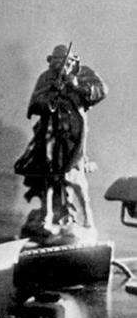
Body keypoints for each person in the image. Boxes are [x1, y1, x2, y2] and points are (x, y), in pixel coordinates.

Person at [14, 44, 106, 242]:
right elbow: (35, 104)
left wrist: (76, 86)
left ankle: (87, 220)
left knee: (75, 177)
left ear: (73, 62)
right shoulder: (46, 77)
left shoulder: (84, 74)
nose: (62, 65)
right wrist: (51, 96)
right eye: (56, 62)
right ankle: (47, 217)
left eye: (66, 61)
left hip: (74, 135)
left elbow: (101, 91)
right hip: (50, 134)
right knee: (47, 176)